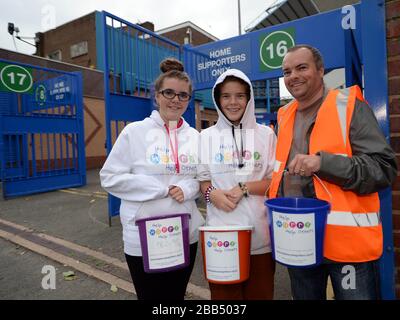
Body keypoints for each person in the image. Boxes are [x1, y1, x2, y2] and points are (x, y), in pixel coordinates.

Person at [269, 44, 397, 300]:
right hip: (299, 236)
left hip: (346, 244)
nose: (293, 76)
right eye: (287, 71)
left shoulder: (349, 106)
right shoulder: (284, 115)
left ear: (320, 70)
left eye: (301, 67)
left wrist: (322, 163)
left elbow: (383, 168)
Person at [99, 58, 204, 300]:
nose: (175, 100)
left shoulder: (195, 136)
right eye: (169, 93)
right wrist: (160, 189)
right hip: (142, 236)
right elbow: (109, 177)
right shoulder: (134, 132)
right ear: (156, 96)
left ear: (188, 100)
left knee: (176, 296)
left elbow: (201, 178)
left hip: (184, 233)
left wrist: (187, 188)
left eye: (182, 95)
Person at [198, 69, 277, 300]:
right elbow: (203, 182)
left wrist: (244, 188)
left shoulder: (266, 135)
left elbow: (275, 182)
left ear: (249, 98)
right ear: (218, 99)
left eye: (240, 96)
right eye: (226, 96)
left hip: (260, 239)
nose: (233, 102)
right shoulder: (205, 136)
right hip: (221, 236)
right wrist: (213, 194)